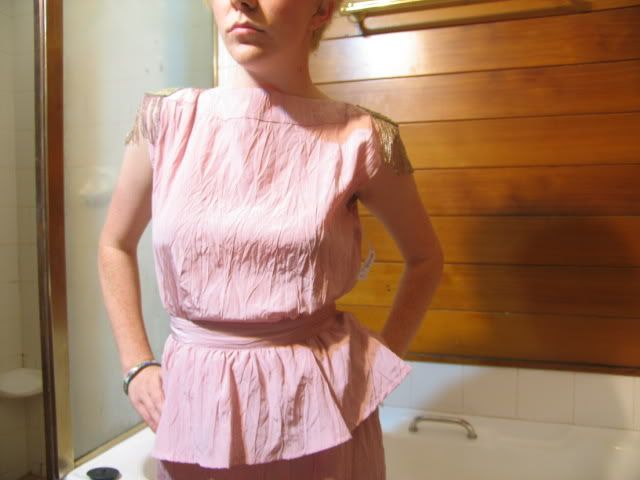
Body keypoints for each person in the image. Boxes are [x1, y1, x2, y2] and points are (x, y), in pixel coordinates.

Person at [97, 0, 444, 478]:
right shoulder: (167, 120)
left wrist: (377, 368)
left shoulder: (363, 137)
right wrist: (136, 363)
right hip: (195, 402)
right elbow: (114, 244)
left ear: (321, 10)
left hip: (321, 403)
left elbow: (425, 259)